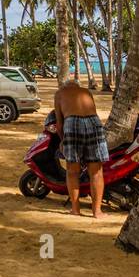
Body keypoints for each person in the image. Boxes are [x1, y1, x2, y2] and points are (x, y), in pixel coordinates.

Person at [54, 79, 109, 218]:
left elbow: (59, 125)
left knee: (73, 171)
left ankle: (75, 209)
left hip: (72, 122)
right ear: (77, 86)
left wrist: (62, 141)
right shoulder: (86, 91)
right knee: (96, 171)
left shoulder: (60, 93)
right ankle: (97, 211)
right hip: (93, 122)